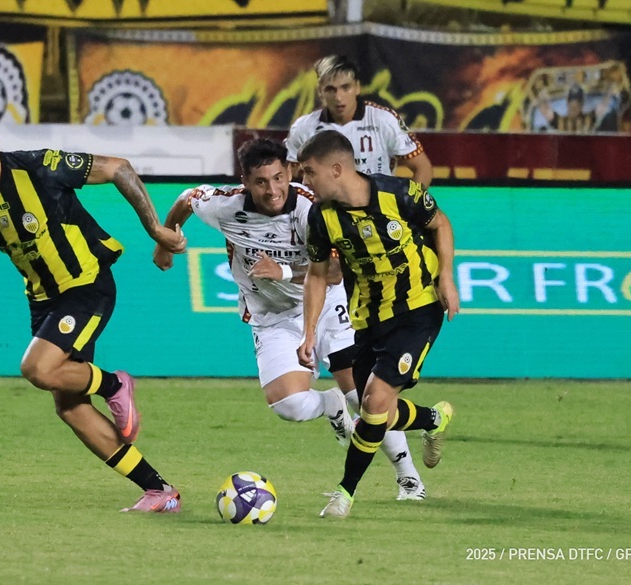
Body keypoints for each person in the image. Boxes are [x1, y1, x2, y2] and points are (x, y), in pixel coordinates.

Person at [0, 107, 186, 513]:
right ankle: (160, 490)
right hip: (43, 300)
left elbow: (119, 168)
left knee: (36, 368)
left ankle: (114, 384)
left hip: (86, 283)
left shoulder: (41, 167)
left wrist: (155, 228)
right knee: (68, 404)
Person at [153, 138, 427, 501]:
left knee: (364, 396)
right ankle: (330, 405)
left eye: (279, 177)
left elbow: (332, 272)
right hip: (271, 316)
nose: (273, 190)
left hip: (328, 305)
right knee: (289, 406)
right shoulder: (225, 205)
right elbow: (187, 197)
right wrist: (167, 237)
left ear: (290, 171)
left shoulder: (311, 208)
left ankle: (408, 477)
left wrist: (280, 270)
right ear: (245, 181)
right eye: (262, 182)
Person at [296, 130, 459, 518]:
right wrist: (309, 331)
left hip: (418, 307)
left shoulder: (399, 194)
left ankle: (344, 493)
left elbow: (441, 224)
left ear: (336, 169)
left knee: (371, 401)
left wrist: (446, 277)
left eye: (309, 172)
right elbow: (317, 275)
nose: (304, 181)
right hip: (368, 317)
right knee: (380, 412)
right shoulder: (321, 217)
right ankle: (434, 419)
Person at [286, 54, 433, 187]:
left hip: (377, 210)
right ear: (320, 91)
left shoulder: (384, 120)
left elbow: (423, 168)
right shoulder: (303, 127)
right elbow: (287, 174)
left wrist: (409, 206)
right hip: (324, 212)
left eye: (346, 87)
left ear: (357, 87)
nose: (338, 97)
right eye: (330, 89)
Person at [534, 83, 620, 133]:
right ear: (567, 103)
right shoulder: (560, 121)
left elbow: (603, 106)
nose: (574, 108)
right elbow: (545, 111)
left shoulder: (589, 118)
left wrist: (610, 90)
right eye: (572, 104)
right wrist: (542, 93)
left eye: (577, 104)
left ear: (582, 104)